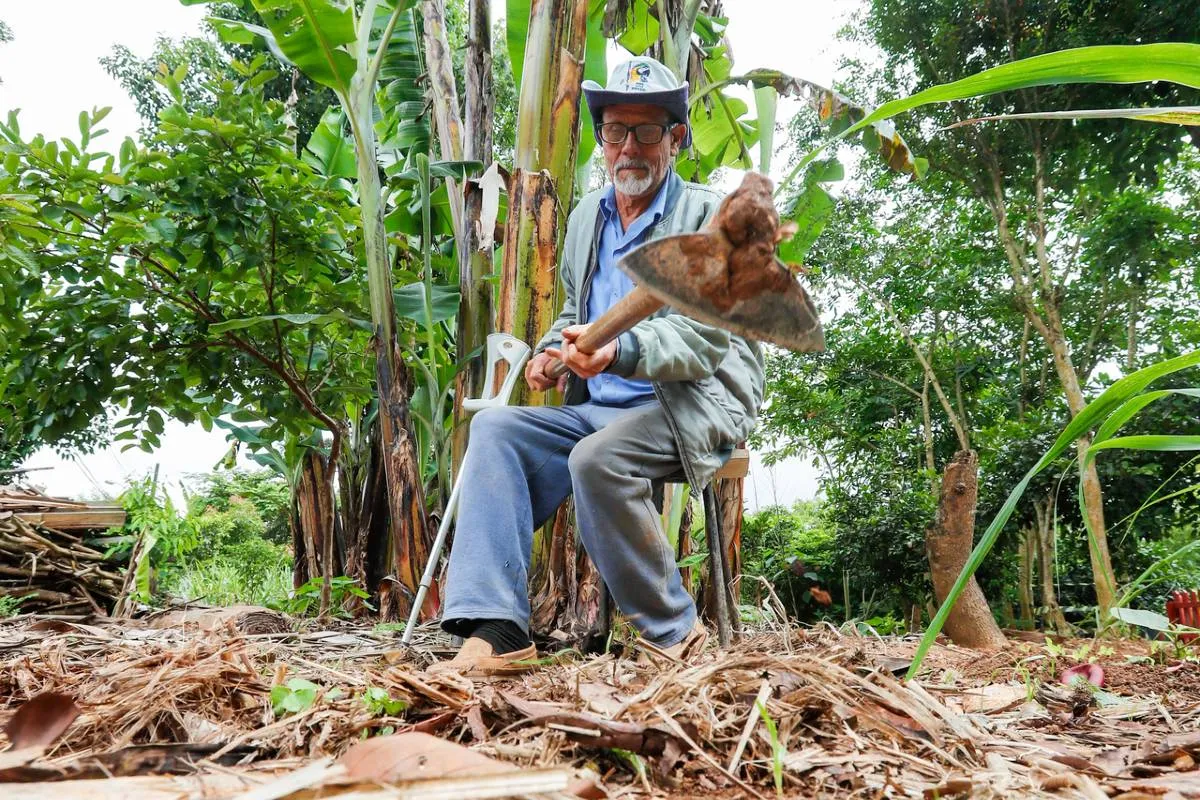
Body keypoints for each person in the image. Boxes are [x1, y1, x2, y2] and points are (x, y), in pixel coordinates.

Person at [431, 56, 764, 676]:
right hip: (600, 407)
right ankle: (500, 628)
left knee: (596, 459)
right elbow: (574, 312)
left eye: (646, 132)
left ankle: (674, 636)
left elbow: (705, 341)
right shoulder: (588, 217)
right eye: (615, 132)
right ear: (601, 139)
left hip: (691, 403)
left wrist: (618, 351)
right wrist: (555, 354)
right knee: (495, 432)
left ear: (677, 139)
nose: (628, 148)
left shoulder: (709, 219)